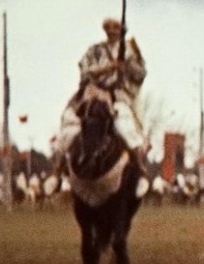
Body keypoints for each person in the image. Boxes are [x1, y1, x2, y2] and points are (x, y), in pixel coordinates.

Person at [57, 17, 148, 169]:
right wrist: (110, 67)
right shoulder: (95, 50)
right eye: (108, 27)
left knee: (125, 127)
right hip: (93, 94)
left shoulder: (130, 50)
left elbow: (140, 74)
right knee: (70, 121)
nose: (112, 31)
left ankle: (139, 168)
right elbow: (85, 71)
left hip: (118, 97)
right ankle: (59, 170)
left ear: (121, 30)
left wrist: (127, 66)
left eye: (116, 27)